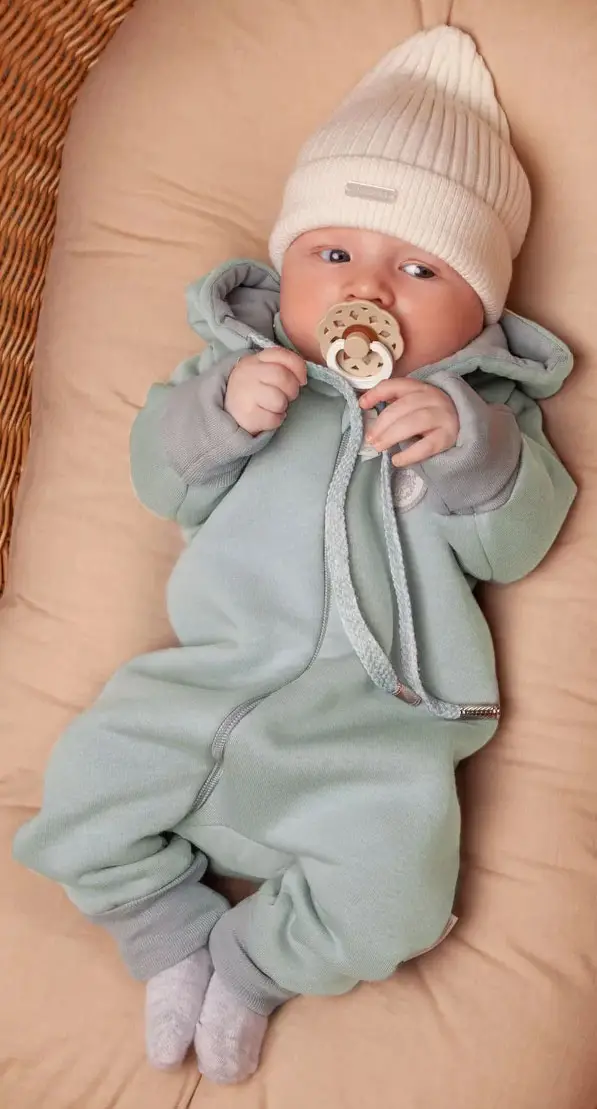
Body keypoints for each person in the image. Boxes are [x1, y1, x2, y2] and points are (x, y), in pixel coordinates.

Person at [13, 26, 576, 1084]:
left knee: (400, 899)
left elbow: (516, 545)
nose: (374, 290)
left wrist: (474, 451)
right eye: (334, 255)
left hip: (374, 734)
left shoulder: (484, 416)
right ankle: (167, 930)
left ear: (481, 313)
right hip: (206, 687)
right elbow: (160, 479)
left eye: (420, 268)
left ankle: (255, 963)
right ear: (284, 269)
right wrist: (220, 415)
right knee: (80, 795)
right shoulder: (237, 370)